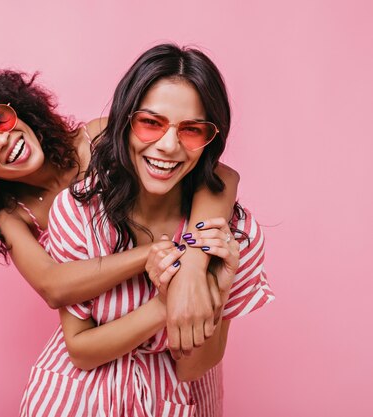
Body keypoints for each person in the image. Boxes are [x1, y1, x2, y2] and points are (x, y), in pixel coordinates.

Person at [0, 68, 238, 414]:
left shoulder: (96, 138)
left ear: (17, 110)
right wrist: (159, 255)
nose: (0, 140)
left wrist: (193, 265)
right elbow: (54, 286)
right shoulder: (14, 215)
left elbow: (220, 177)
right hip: (101, 351)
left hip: (179, 338)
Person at [19, 43, 274, 417]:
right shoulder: (80, 212)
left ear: (210, 140)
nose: (168, 146)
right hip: (77, 399)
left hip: (180, 400)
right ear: (124, 121)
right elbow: (81, 350)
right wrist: (164, 304)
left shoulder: (232, 235)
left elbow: (194, 366)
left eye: (191, 130)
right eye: (151, 123)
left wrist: (213, 290)